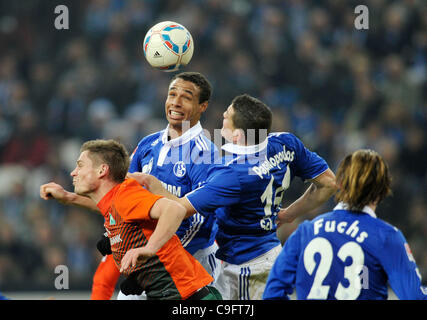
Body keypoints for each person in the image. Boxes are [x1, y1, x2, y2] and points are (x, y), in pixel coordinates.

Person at [127, 94, 337, 300]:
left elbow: (180, 208)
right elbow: (328, 183)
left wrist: (151, 182)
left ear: (237, 135)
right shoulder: (286, 143)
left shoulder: (232, 175)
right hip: (267, 255)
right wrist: (289, 214)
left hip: (246, 268)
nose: (222, 118)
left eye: (226, 117)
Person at [40, 72, 221, 300]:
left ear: (202, 106)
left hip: (188, 262)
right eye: (172, 94)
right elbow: (118, 199)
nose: (175, 102)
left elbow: (200, 219)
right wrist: (69, 197)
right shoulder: (148, 145)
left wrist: (152, 250)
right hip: (147, 259)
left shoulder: (205, 154)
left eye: (186, 97)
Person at [263, 149, 427, 300]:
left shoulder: (305, 232)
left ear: (339, 184)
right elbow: (415, 296)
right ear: (382, 191)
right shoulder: (387, 237)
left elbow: (272, 293)